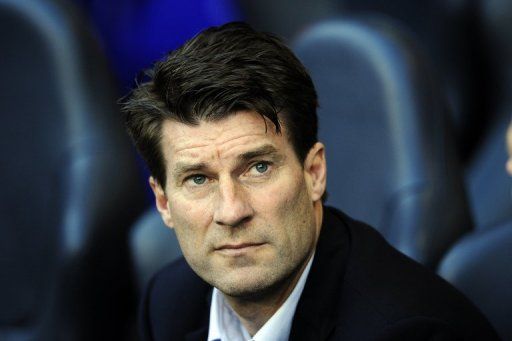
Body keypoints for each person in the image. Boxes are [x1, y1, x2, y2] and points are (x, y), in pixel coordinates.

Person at [121, 22, 498, 341]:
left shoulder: (409, 332)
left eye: (258, 168)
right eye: (199, 178)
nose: (231, 211)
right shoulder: (168, 302)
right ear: (164, 202)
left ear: (314, 172)